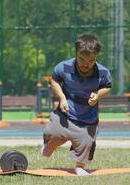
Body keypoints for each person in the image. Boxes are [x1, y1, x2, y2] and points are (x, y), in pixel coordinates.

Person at [42, 33, 112, 176]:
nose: (86, 64)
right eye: (82, 59)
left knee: (87, 143)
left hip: (88, 120)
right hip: (65, 114)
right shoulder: (63, 67)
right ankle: (49, 146)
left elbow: (107, 87)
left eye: (91, 60)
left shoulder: (103, 72)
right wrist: (62, 98)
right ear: (76, 53)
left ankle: (80, 166)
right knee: (52, 133)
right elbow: (54, 80)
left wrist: (98, 95)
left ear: (96, 57)